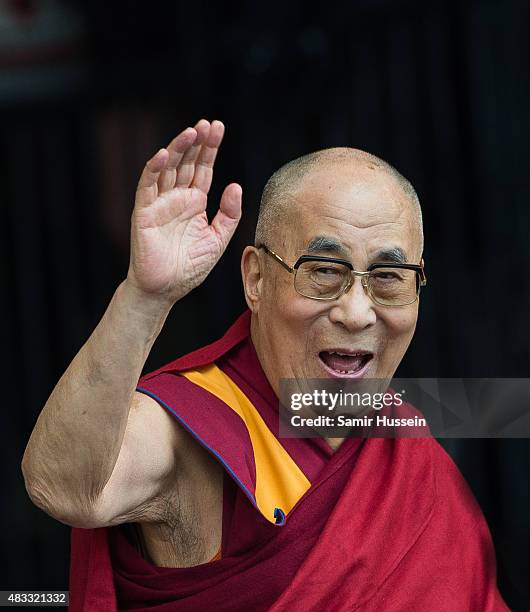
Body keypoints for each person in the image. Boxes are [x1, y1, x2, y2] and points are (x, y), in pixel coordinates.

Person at [22, 119, 508, 611]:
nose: (357, 313)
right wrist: (145, 297)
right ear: (255, 278)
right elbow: (64, 490)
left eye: (388, 277)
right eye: (323, 271)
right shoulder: (197, 422)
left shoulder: (407, 440)